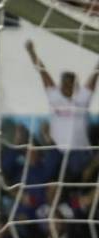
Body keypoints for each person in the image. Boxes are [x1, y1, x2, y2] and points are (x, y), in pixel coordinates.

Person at [26, 40, 99, 176]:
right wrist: (32, 52)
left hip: (78, 151)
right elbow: (42, 71)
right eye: (64, 83)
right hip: (57, 151)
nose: (66, 86)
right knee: (47, 170)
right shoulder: (55, 97)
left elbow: (95, 73)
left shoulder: (82, 99)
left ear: (75, 85)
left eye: (70, 84)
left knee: (75, 170)